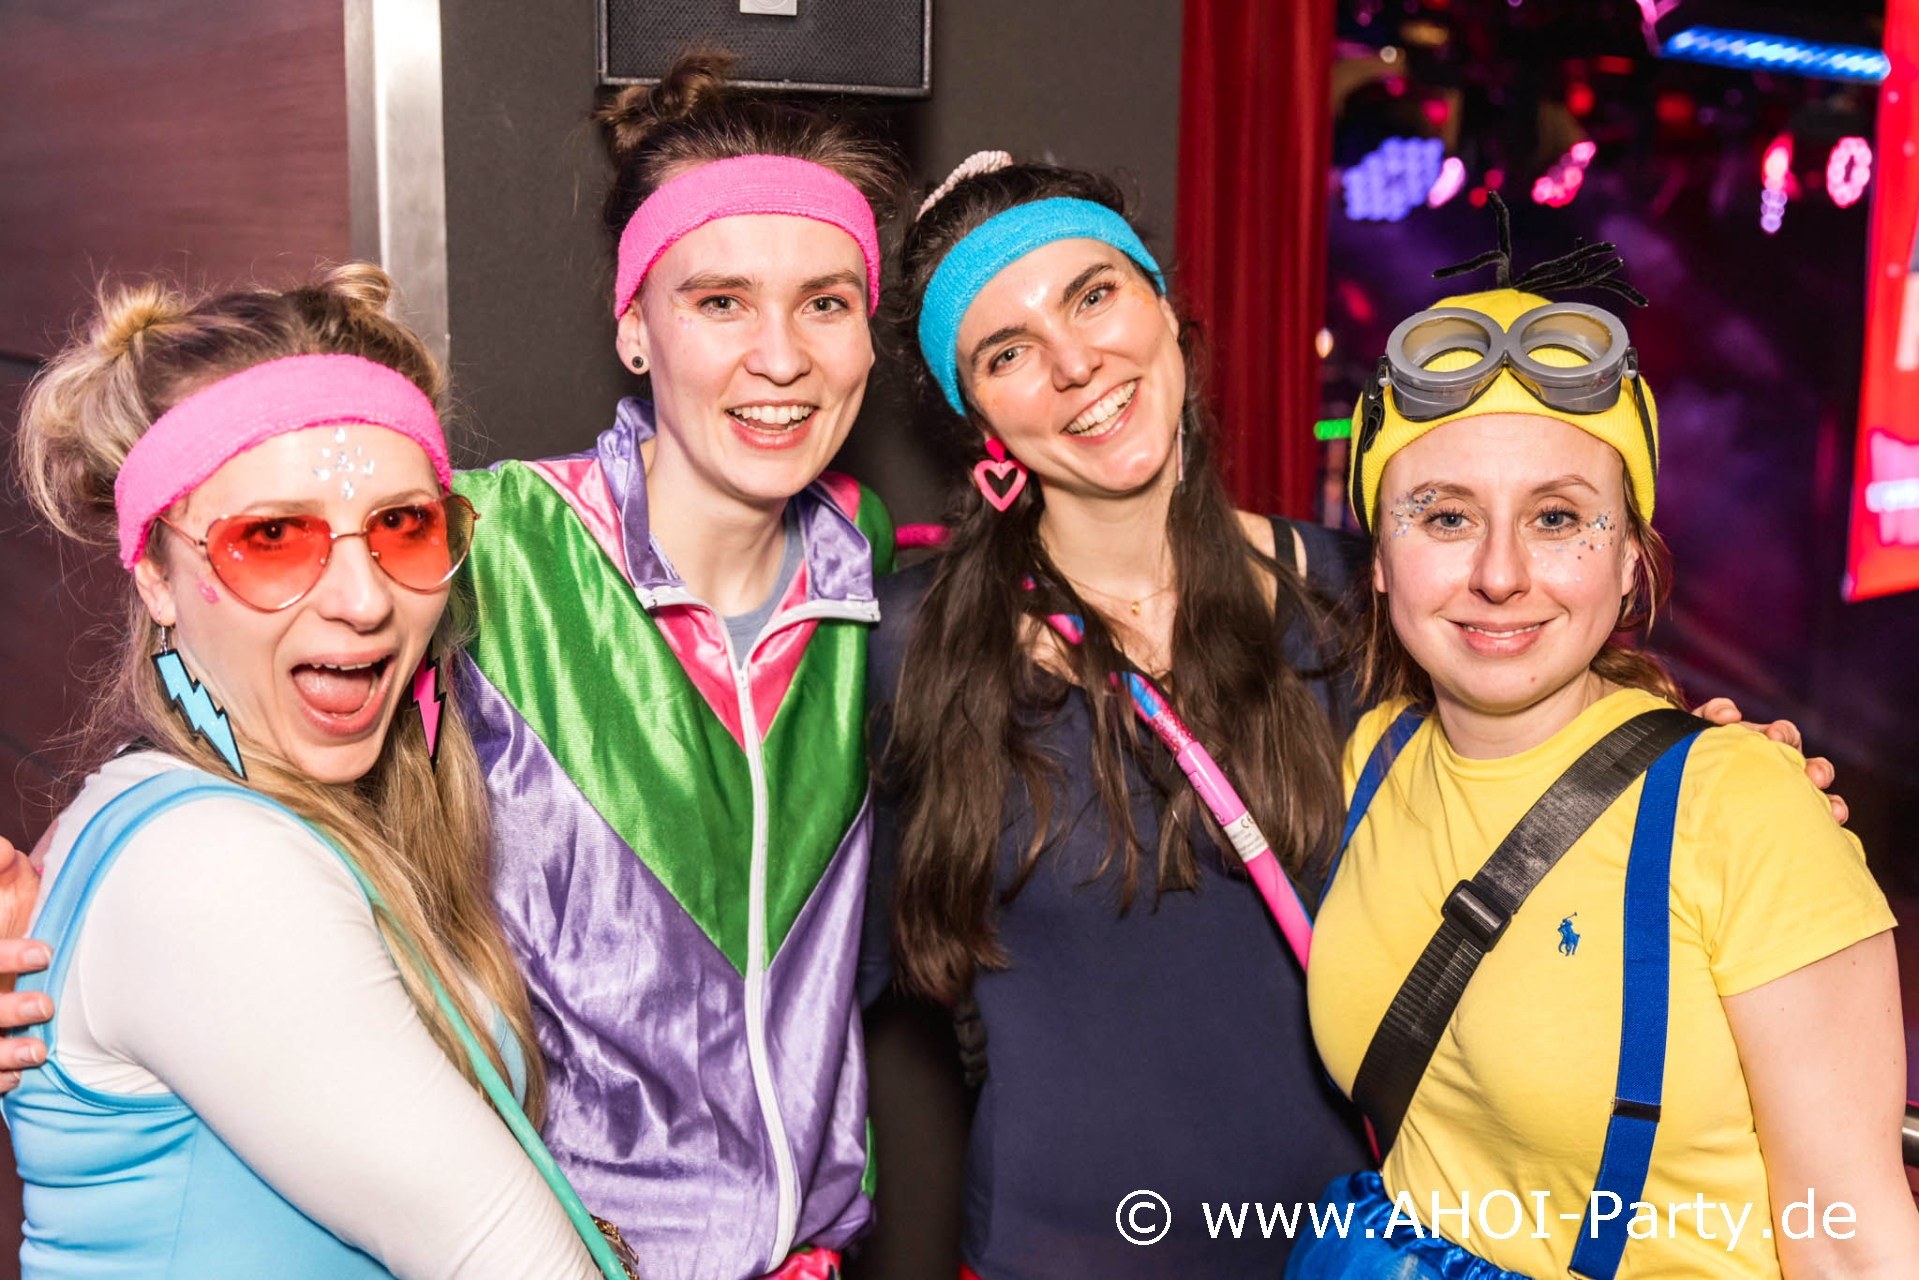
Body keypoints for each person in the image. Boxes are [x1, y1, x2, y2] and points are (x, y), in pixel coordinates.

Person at [1291, 227, 1919, 1277]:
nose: (1499, 573)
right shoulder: (1375, 756)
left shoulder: (1740, 812)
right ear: (1380, 557)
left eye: (1556, 518)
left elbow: (1854, 1246)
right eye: (1443, 517)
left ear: (1628, 558)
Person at [6, 265, 606, 1278]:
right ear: (155, 572)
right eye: (273, 538)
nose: (364, 601)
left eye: (404, 526)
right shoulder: (211, 866)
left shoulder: (216, 806)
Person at [863, 153, 1373, 1278]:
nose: (1073, 362)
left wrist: (1721, 777)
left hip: (1350, 1254)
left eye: (1093, 295)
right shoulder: (910, 650)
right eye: (1006, 353)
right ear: (978, 419)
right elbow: (777, 962)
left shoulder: (1354, 599)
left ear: (1163, 306)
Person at [449, 54, 896, 1278]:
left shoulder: (871, 581)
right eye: (720, 302)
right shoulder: (491, 547)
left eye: (824, 302)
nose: (781, 357)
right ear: (634, 329)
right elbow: (244, 683)